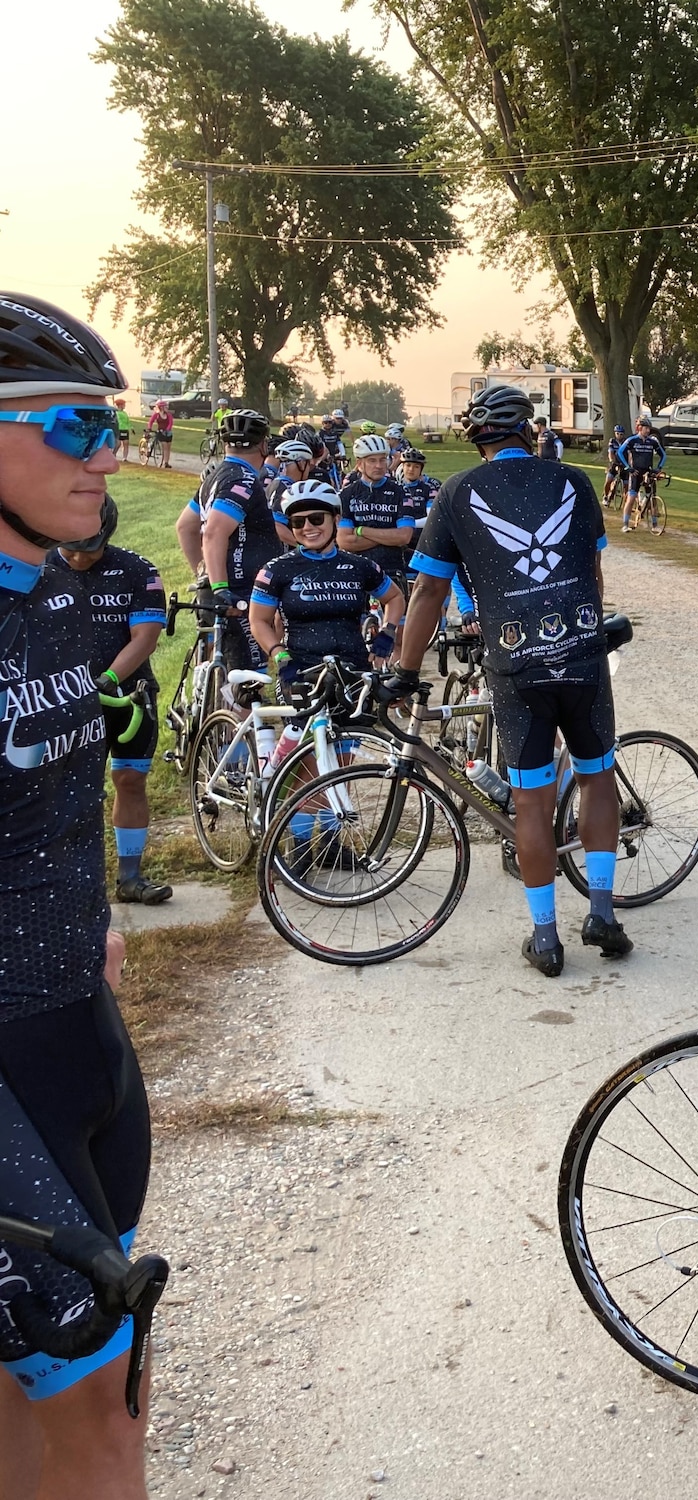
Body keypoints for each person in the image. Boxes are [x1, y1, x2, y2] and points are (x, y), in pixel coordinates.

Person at [0, 292, 152, 1499]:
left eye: (110, 423)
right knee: (96, 1385)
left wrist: (98, 918)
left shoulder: (55, 590)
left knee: (64, 1392)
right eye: (68, 425)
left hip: (76, 1029)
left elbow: (63, 788)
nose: (108, 454)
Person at [393, 383, 628, 976]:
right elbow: (593, 573)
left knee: (531, 798)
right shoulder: (574, 481)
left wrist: (404, 668)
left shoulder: (456, 492)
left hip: (517, 665)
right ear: (530, 430)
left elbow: (427, 590)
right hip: (582, 657)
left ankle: (545, 937)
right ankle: (602, 911)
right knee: (599, 782)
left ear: (477, 439)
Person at [50, 499, 174, 906]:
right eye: (71, 547)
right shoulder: (43, 564)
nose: (78, 557)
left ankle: (130, 876)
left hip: (127, 697)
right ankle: (64, 879)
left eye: (89, 547)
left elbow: (145, 638)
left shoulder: (137, 570)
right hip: (60, 700)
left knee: (129, 780)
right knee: (68, 789)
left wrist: (106, 680)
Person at [251, 481, 404, 681]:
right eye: (298, 522)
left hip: (354, 669)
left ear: (336, 519)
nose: (307, 528)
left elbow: (395, 597)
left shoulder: (359, 566)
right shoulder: (275, 570)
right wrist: (279, 654)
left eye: (316, 519)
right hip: (300, 671)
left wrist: (387, 632)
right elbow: (258, 620)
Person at [198, 408, 289, 681]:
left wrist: (201, 572)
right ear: (263, 445)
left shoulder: (217, 475)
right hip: (239, 590)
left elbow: (186, 526)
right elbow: (214, 532)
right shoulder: (244, 479)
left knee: (224, 668)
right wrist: (220, 586)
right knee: (249, 682)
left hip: (220, 583)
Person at [337, 432, 417, 593]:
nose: (379, 465)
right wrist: (388, 537)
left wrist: (361, 530)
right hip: (356, 570)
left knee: (397, 618)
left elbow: (404, 537)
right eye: (372, 460)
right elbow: (345, 541)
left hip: (392, 570)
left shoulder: (401, 492)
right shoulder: (346, 494)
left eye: (382, 459)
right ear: (359, 464)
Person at [617, 421, 667, 534]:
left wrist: (659, 468)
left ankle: (654, 525)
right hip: (635, 473)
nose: (648, 431)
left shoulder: (652, 442)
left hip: (648, 473)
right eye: (646, 428)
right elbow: (620, 452)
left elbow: (663, 455)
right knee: (630, 498)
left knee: (653, 499)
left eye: (649, 428)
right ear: (640, 428)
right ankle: (625, 525)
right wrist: (627, 467)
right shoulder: (632, 440)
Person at [396, 447, 439, 522]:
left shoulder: (429, 489)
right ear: (402, 466)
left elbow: (432, 518)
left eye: (416, 467)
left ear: (421, 470)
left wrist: (408, 526)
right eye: (408, 465)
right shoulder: (394, 488)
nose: (411, 469)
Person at [144, 399, 173, 468]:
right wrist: (149, 428)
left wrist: (167, 429)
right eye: (165, 407)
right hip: (161, 432)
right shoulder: (156, 415)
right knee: (165, 446)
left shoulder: (169, 415)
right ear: (161, 407)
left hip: (168, 433)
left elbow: (170, 423)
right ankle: (164, 462)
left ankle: (166, 462)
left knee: (168, 447)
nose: (167, 408)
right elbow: (151, 421)